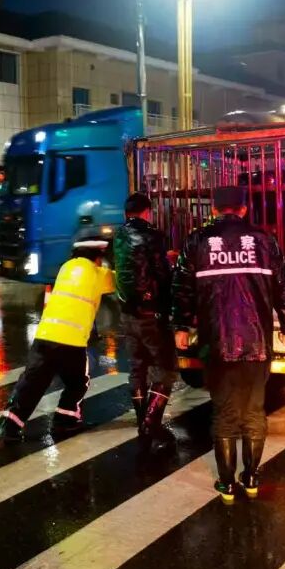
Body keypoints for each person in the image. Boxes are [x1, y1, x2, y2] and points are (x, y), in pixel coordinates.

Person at [172, 186, 285, 502]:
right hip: (256, 343)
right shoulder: (264, 240)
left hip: (216, 343)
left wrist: (181, 326)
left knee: (224, 412)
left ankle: (227, 482)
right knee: (254, 410)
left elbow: (181, 287)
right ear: (244, 209)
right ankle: (252, 477)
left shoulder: (198, 241)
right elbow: (284, 286)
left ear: (214, 210)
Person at [0, 236, 115, 441]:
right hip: (72, 342)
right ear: (97, 257)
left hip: (45, 336)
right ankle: (65, 421)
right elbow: (124, 280)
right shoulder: (97, 274)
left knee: (31, 382)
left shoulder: (65, 269)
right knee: (78, 382)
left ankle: (9, 426)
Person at [113, 191, 180, 446]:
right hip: (151, 313)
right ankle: (151, 425)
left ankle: (143, 421)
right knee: (166, 369)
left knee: (138, 367)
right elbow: (162, 274)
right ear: (147, 212)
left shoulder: (118, 235)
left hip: (127, 312)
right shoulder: (153, 236)